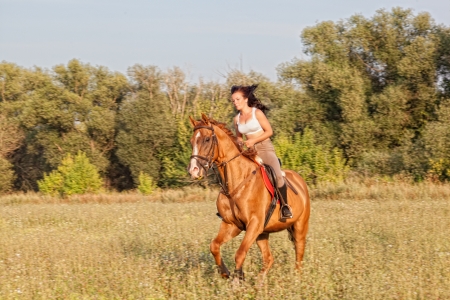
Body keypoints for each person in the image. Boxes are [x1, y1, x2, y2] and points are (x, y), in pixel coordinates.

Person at [231, 84, 293, 219]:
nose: (235, 103)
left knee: (277, 176)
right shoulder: (236, 119)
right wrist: (240, 143)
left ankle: (285, 206)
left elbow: (269, 131)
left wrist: (253, 141)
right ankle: (230, 208)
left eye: (237, 99)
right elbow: (239, 138)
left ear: (246, 99)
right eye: (233, 101)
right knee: (234, 175)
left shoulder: (257, 113)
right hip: (250, 152)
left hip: (265, 148)